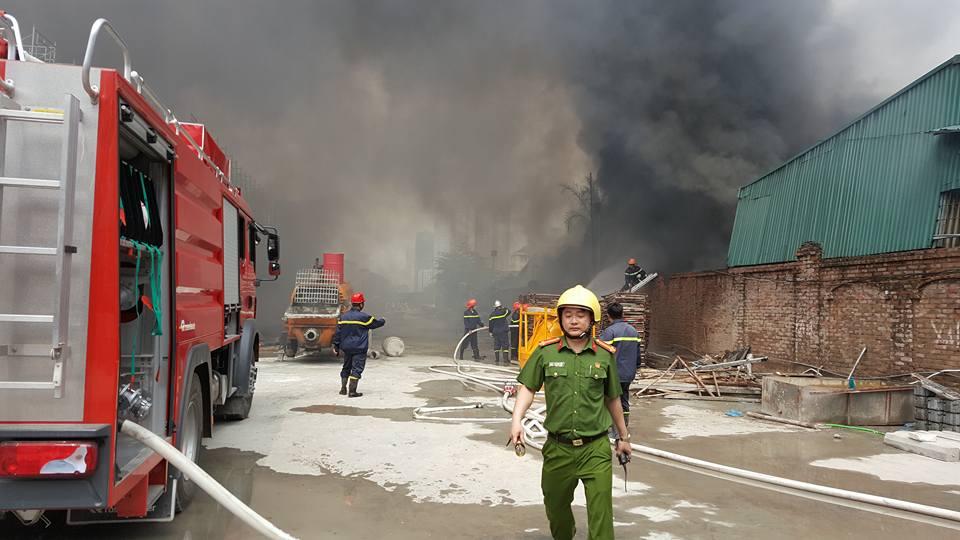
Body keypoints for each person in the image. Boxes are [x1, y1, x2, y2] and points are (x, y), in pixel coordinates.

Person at [510, 285, 631, 540]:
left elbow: (613, 399)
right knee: (556, 509)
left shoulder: (604, 355)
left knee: (601, 514)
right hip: (558, 448)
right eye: (568, 315)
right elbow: (528, 388)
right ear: (561, 318)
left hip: (595, 448)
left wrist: (623, 437)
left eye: (581, 314)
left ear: (592, 320)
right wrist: (516, 420)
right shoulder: (546, 352)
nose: (574, 320)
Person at [599, 302, 641, 438]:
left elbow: (600, 352)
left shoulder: (610, 332)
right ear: (622, 313)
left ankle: (613, 430)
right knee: (624, 399)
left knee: (610, 399)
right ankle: (624, 426)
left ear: (608, 316)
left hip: (614, 374)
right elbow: (638, 355)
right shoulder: (633, 331)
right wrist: (636, 366)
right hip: (629, 373)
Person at [332, 292, 385, 397]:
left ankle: (343, 389)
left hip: (346, 348)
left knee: (346, 367)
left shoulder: (343, 317)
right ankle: (352, 391)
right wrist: (383, 320)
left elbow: (338, 333)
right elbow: (376, 324)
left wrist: (336, 346)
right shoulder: (364, 317)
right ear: (361, 304)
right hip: (359, 348)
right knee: (357, 369)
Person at [488, 300, 511, 365]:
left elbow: (491, 324)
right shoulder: (503, 313)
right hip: (503, 331)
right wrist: (504, 308)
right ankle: (505, 360)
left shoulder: (492, 315)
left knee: (497, 345)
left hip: (496, 332)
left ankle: (497, 360)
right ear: (500, 306)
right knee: (505, 345)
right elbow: (509, 311)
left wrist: (490, 332)